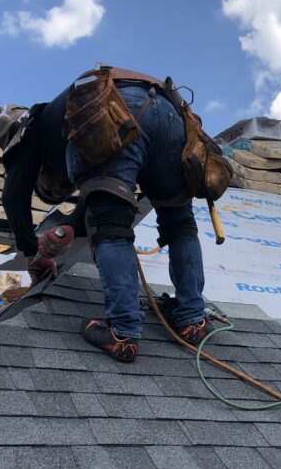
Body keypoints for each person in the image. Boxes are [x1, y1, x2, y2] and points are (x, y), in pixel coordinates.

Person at [66, 68, 207, 364]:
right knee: (180, 221)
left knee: (110, 222)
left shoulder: (51, 120)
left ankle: (123, 332)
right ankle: (193, 319)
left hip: (121, 103)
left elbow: (91, 196)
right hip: (173, 114)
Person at [0, 87, 87, 281]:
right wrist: (71, 225)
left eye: (47, 189)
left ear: (36, 173)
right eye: (62, 195)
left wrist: (31, 251)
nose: (58, 192)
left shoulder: (33, 132)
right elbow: (96, 201)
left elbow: (13, 196)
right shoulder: (86, 166)